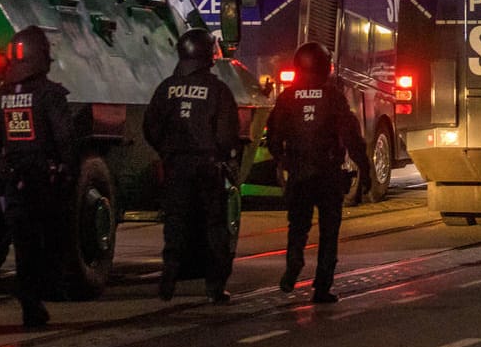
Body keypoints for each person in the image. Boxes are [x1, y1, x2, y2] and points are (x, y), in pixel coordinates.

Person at [0, 26, 78, 329]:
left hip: (14, 180)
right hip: (44, 181)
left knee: (23, 244)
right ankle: (44, 294)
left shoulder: (2, 97)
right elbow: (64, 138)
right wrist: (69, 171)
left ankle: (30, 299)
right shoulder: (50, 95)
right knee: (50, 240)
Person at [265, 42, 372, 303]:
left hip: (299, 172)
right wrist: (364, 169)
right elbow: (351, 135)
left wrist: (282, 161)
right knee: (329, 231)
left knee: (298, 226)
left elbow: (274, 136)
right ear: (326, 66)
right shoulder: (333, 96)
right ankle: (322, 286)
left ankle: (293, 265)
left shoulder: (287, 97)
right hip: (328, 173)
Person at [143, 28, 241, 304]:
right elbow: (225, 134)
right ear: (208, 55)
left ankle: (168, 280)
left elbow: (150, 127)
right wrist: (225, 156)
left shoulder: (166, 88)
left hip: (176, 166)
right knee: (214, 226)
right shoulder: (218, 90)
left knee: (175, 223)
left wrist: (167, 152)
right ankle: (215, 287)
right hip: (208, 167)